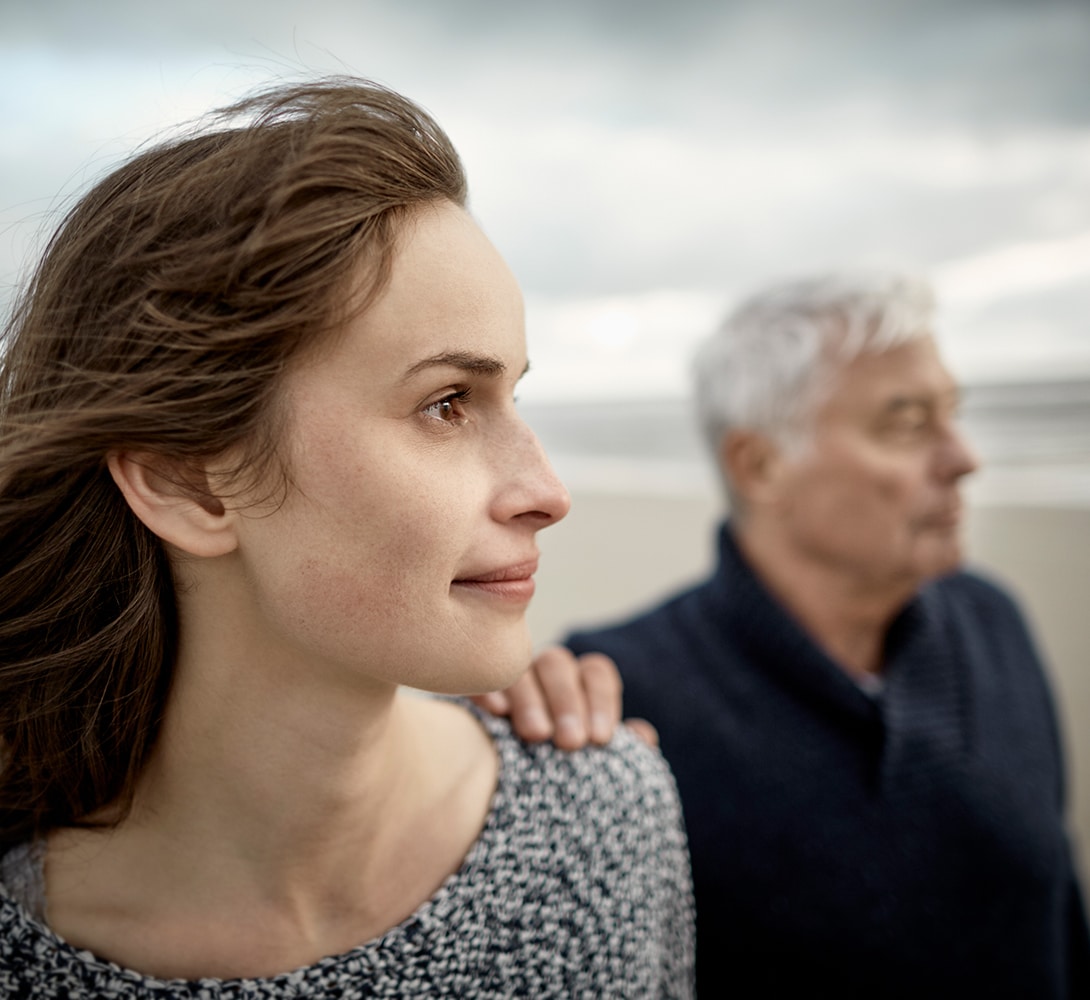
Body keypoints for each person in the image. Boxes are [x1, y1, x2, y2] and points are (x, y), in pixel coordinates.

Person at [0, 78, 694, 998]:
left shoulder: (606, 821)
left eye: (511, 396)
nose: (546, 493)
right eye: (447, 403)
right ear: (188, 482)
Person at [550, 274, 1089, 996]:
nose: (964, 458)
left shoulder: (992, 619)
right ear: (760, 465)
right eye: (906, 423)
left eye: (952, 414)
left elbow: (1062, 919)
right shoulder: (616, 690)